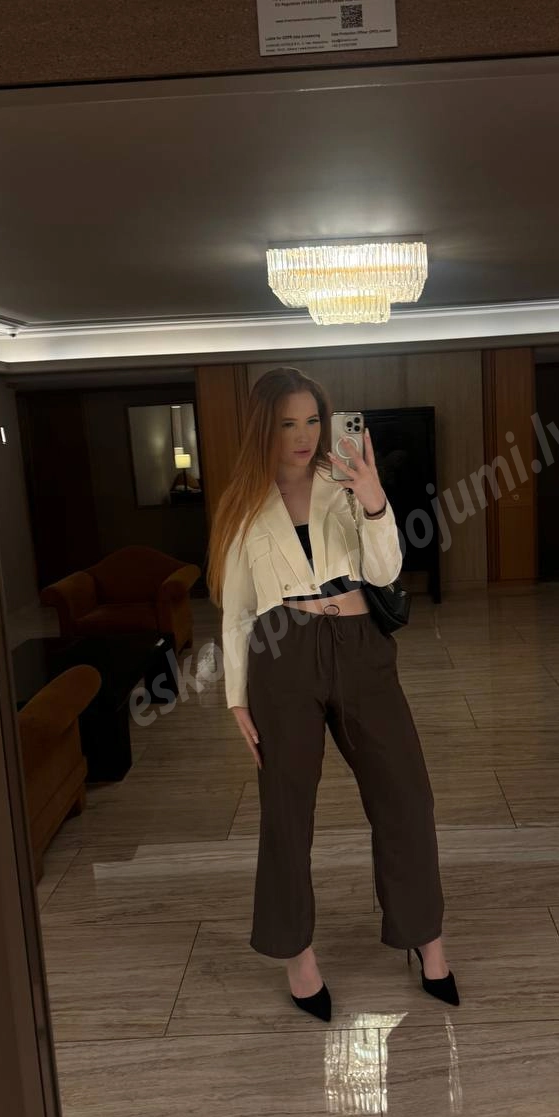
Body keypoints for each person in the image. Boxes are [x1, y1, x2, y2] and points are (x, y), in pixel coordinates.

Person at [206, 367, 459, 1021]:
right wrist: (236, 698)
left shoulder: (342, 483)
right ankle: (298, 956)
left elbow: (385, 570)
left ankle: (425, 938)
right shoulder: (242, 505)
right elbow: (237, 613)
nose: (303, 435)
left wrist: (373, 500)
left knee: (407, 794)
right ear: (263, 428)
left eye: (313, 420)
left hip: (360, 647)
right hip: (282, 657)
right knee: (286, 811)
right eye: (287, 423)